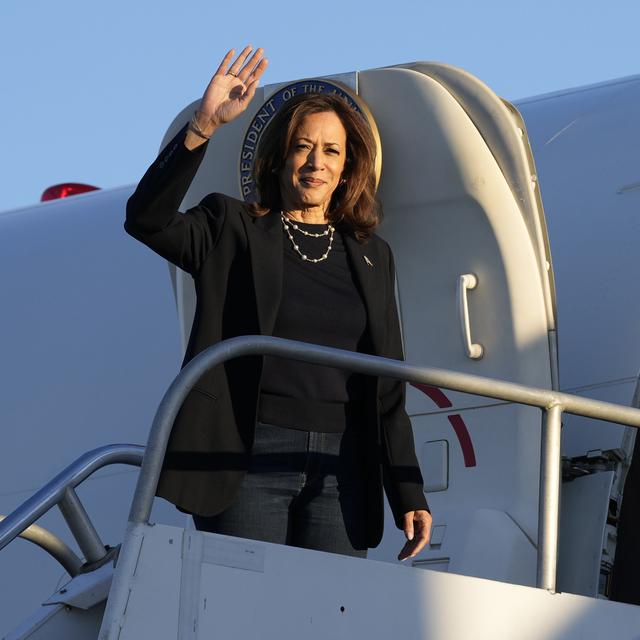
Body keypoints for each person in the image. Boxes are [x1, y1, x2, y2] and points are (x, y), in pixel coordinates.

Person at [125, 46, 432, 560]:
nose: (316, 163)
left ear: (348, 166)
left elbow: (387, 384)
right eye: (302, 147)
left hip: (343, 468)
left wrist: (407, 489)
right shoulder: (232, 227)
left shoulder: (373, 256)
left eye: (331, 151)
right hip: (248, 458)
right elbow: (146, 220)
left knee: (328, 618)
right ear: (280, 158)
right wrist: (202, 126)